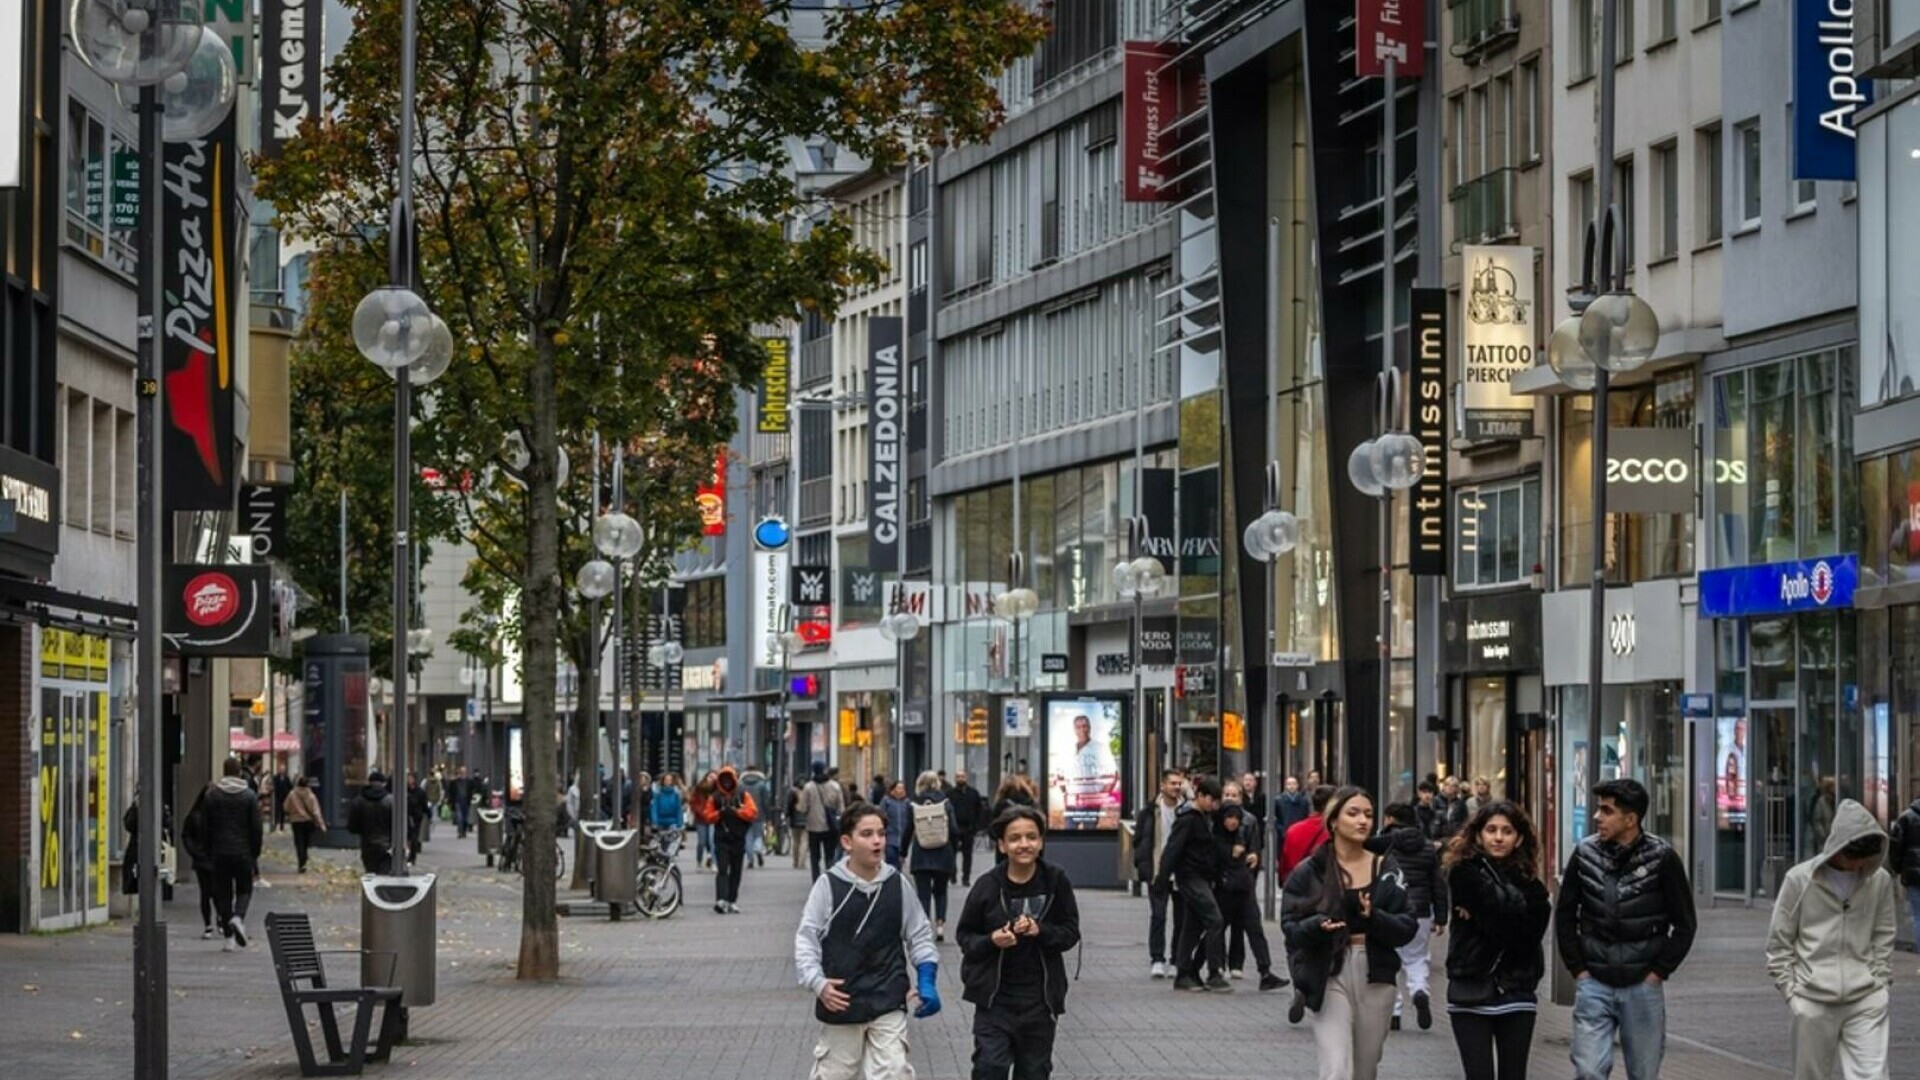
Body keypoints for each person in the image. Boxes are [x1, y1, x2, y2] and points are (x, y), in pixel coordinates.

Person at [1555, 778, 1697, 1080]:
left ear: (1630, 819)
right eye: (1598, 809)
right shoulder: (1584, 855)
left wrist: (1657, 972)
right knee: (1589, 1070)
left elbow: (1685, 923)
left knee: (1644, 1073)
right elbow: (1565, 915)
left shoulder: (1662, 858)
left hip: (1642, 986)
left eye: (1606, 811)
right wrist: (1579, 969)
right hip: (1594, 982)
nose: (1597, 817)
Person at [793, 804, 941, 1080]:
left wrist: (927, 979)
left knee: (894, 1072)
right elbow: (806, 939)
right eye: (867, 834)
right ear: (847, 842)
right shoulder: (828, 885)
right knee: (835, 1074)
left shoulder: (897, 884)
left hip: (888, 995)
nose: (877, 841)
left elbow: (919, 934)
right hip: (842, 1000)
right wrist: (817, 982)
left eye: (882, 834)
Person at [1280, 786, 1418, 1080]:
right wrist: (1317, 925)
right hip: (1328, 970)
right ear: (1333, 821)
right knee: (1336, 1068)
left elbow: (1407, 926)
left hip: (1375, 971)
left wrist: (1374, 917)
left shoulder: (1385, 867)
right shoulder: (1311, 870)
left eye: (1368, 814)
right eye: (1353, 813)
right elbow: (1290, 926)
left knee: (1365, 1069)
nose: (1362, 821)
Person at [1765, 799, 1897, 1080]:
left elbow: (1884, 932)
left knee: (1873, 1076)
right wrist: (1792, 992)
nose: (1858, 864)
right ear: (1837, 848)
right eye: (1852, 856)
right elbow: (1779, 941)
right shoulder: (1799, 880)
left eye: (1865, 858)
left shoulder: (1880, 881)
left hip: (1866, 996)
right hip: (1812, 999)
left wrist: (1881, 981)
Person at [957, 805, 1081, 1080]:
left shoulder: (1056, 880)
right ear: (1002, 845)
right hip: (994, 1000)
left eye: (1031, 837)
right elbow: (965, 937)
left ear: (1041, 841)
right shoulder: (987, 885)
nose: (1024, 844)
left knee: (1034, 1071)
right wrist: (992, 940)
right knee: (990, 1067)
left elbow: (1071, 932)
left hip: (1040, 1001)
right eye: (1014, 838)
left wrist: (1041, 931)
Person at [1442, 800, 1553, 1080]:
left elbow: (1526, 937)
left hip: (1517, 988)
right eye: (1491, 830)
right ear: (1478, 835)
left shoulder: (1533, 885)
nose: (1499, 837)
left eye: (1507, 831)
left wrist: (1485, 911)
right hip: (1470, 986)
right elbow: (1503, 926)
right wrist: (1513, 910)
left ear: (1519, 838)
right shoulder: (1463, 873)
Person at [1365, 802, 1448, 1030]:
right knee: (1416, 958)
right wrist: (1441, 917)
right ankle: (1419, 989)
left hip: (1393, 907)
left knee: (1390, 958)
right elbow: (1437, 884)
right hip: (1421, 911)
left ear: (1390, 819)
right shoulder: (1428, 847)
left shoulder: (1386, 843)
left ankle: (1394, 1011)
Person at [1154, 775, 1229, 992]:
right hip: (1190, 877)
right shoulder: (1188, 818)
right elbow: (1172, 850)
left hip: (1202, 877)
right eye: (1212, 800)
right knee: (1215, 920)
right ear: (1202, 796)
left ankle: (1184, 972)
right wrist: (1161, 880)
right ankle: (1214, 972)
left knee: (1192, 926)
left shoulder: (1205, 817)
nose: (1214, 805)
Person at [1215, 802, 1287, 991]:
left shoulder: (1242, 834)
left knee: (1255, 929)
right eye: (1228, 818)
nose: (1232, 822)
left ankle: (1265, 971)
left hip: (1244, 890)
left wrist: (1250, 856)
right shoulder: (1216, 836)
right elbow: (1215, 859)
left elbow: (1250, 852)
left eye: (1236, 818)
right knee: (1216, 929)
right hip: (1225, 892)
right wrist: (1234, 855)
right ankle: (1206, 968)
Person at [197, 758, 264, 950]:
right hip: (243, 852)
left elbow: (205, 827)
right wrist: (255, 852)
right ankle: (238, 917)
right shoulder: (249, 796)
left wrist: (207, 851)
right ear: (239, 773)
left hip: (219, 854)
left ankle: (229, 938)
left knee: (222, 894)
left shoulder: (212, 796)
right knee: (244, 889)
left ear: (224, 772)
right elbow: (256, 828)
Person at [1133, 768, 1188, 980]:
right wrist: (1142, 865)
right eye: (1172, 783)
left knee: (1181, 918)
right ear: (1163, 786)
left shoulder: (1187, 809)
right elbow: (1140, 839)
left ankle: (1176, 960)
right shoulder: (1149, 811)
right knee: (1158, 915)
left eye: (1179, 783)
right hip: (1158, 870)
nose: (1176, 787)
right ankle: (1157, 959)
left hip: (1182, 871)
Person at [905, 771, 957, 941]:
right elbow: (954, 830)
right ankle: (940, 925)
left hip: (921, 854)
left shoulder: (914, 803)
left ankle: (925, 925)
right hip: (943, 852)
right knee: (941, 892)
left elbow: (907, 830)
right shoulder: (946, 802)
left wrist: (903, 852)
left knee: (923, 893)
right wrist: (953, 850)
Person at [698, 765, 757, 914]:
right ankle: (721, 899)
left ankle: (731, 900)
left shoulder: (743, 794)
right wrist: (720, 814)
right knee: (723, 869)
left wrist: (737, 812)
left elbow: (752, 812)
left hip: (738, 838)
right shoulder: (715, 798)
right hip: (722, 839)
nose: (726, 783)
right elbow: (707, 816)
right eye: (723, 780)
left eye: (728, 779)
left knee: (736, 871)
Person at [1281, 784, 1336, 883]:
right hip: (1326, 887)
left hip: (1297, 886)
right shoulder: (1335, 831)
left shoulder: (1293, 830)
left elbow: (1285, 865)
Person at [801, 762, 845, 880]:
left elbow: (803, 807)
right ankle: (830, 878)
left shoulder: (808, 787)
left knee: (815, 857)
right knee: (830, 854)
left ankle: (816, 880)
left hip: (813, 826)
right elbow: (841, 807)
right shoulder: (835, 786)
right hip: (831, 826)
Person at [347, 770, 397, 874]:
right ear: (384, 783)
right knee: (384, 874)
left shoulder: (359, 801)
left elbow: (352, 826)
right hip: (387, 844)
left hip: (367, 844)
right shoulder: (391, 801)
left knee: (370, 873)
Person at [948, 770, 988, 886]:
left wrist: (976, 826)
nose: (960, 779)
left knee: (968, 854)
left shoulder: (973, 793)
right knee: (952, 853)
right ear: (955, 779)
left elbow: (979, 810)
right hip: (953, 828)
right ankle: (952, 874)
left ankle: (966, 877)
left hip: (968, 828)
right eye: (958, 777)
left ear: (966, 778)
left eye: (962, 776)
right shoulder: (950, 793)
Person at [1889, 792, 1920, 940]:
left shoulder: (1906, 817)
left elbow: (1895, 846)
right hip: (1912, 874)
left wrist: (1898, 869)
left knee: (1919, 916)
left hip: (1913, 876)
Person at [285, 776, 325, 873]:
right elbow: (316, 811)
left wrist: (292, 812)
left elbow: (286, 807)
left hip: (296, 821)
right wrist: (322, 824)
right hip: (307, 821)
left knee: (299, 842)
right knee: (306, 842)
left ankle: (301, 862)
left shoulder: (292, 794)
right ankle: (304, 860)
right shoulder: (311, 795)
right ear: (307, 785)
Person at [740, 763, 771, 868]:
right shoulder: (762, 784)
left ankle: (750, 859)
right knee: (758, 835)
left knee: (748, 837)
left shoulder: (741, 785)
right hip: (759, 814)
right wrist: (768, 814)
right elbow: (766, 801)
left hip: (745, 815)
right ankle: (758, 851)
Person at [880, 779, 914, 869]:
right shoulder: (886, 801)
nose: (901, 790)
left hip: (903, 839)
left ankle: (897, 880)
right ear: (892, 790)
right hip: (890, 838)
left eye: (902, 788)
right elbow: (881, 817)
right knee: (891, 862)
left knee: (899, 864)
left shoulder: (907, 803)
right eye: (899, 788)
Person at [691, 771, 719, 869]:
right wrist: (700, 811)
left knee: (712, 841)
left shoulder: (718, 790)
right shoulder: (699, 788)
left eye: (714, 777)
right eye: (710, 777)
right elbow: (693, 802)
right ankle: (699, 860)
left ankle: (714, 863)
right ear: (706, 777)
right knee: (702, 842)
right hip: (701, 819)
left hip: (712, 818)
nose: (712, 779)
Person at [650, 772, 685, 848]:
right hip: (661, 820)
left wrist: (680, 822)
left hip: (673, 821)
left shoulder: (676, 794)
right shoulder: (658, 793)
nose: (668, 781)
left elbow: (678, 809)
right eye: (666, 780)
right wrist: (654, 820)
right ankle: (664, 853)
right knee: (662, 840)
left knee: (670, 839)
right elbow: (655, 808)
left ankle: (668, 854)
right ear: (663, 781)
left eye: (670, 780)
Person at [405, 771, 429, 864]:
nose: (409, 780)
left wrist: (427, 813)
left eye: (411, 778)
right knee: (407, 837)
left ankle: (412, 856)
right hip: (406, 816)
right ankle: (407, 855)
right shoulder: (404, 790)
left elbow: (424, 804)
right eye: (408, 778)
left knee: (414, 837)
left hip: (416, 817)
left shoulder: (420, 792)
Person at [786, 780, 808, 869]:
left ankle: (795, 861)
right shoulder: (807, 792)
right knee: (804, 841)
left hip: (794, 820)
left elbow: (789, 806)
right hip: (806, 820)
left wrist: (788, 816)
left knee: (795, 841)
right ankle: (802, 862)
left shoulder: (792, 793)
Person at [449, 766, 474, 838]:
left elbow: (472, 790)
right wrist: (451, 801)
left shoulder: (469, 782)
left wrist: (471, 797)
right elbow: (451, 792)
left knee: (465, 818)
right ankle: (460, 832)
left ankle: (464, 831)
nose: (463, 773)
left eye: (464, 772)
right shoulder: (454, 782)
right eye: (461, 772)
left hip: (466, 802)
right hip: (458, 802)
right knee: (460, 818)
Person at [271, 767, 293, 833]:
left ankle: (282, 826)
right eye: (281, 770)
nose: (282, 771)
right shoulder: (276, 777)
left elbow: (290, 786)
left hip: (284, 797)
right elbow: (274, 785)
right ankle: (275, 825)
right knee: (277, 811)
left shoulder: (287, 778)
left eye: (283, 770)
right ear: (279, 770)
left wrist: (288, 793)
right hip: (278, 797)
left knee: (283, 812)